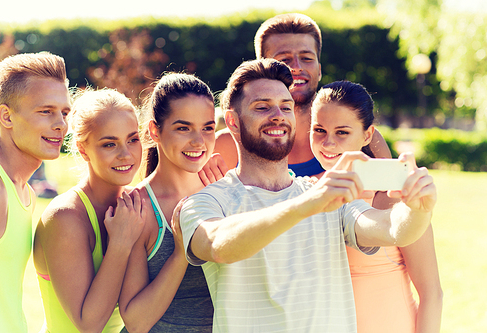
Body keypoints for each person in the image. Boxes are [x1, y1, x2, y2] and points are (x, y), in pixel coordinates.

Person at [179, 58, 437, 332]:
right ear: (232, 121)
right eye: (262, 107)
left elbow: (391, 229)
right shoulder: (204, 201)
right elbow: (218, 245)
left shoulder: (325, 196)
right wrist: (305, 205)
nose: (278, 115)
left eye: (286, 107)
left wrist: (417, 209)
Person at [310, 80, 442, 333]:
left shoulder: (397, 194)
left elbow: (432, 294)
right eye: (319, 130)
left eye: (342, 132)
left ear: (367, 135)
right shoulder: (302, 192)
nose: (328, 143)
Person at [212, 13, 392, 178]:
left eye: (306, 58)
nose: (297, 67)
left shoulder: (361, 136)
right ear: (263, 71)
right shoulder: (227, 146)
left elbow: (390, 206)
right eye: (284, 60)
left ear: (319, 70)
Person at [32, 88, 145, 333]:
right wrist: (121, 243)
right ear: (83, 150)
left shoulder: (135, 204)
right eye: (109, 144)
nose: (126, 154)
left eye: (133, 139)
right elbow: (89, 324)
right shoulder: (65, 217)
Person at [119, 73, 215, 332]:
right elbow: (136, 321)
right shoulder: (136, 207)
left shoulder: (223, 194)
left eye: (207, 127)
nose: (198, 141)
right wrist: (182, 252)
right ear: (154, 131)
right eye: (183, 128)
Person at [0, 52, 70, 333]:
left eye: (65, 112)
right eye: (46, 111)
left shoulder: (23, 191)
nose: (61, 124)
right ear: (6, 116)